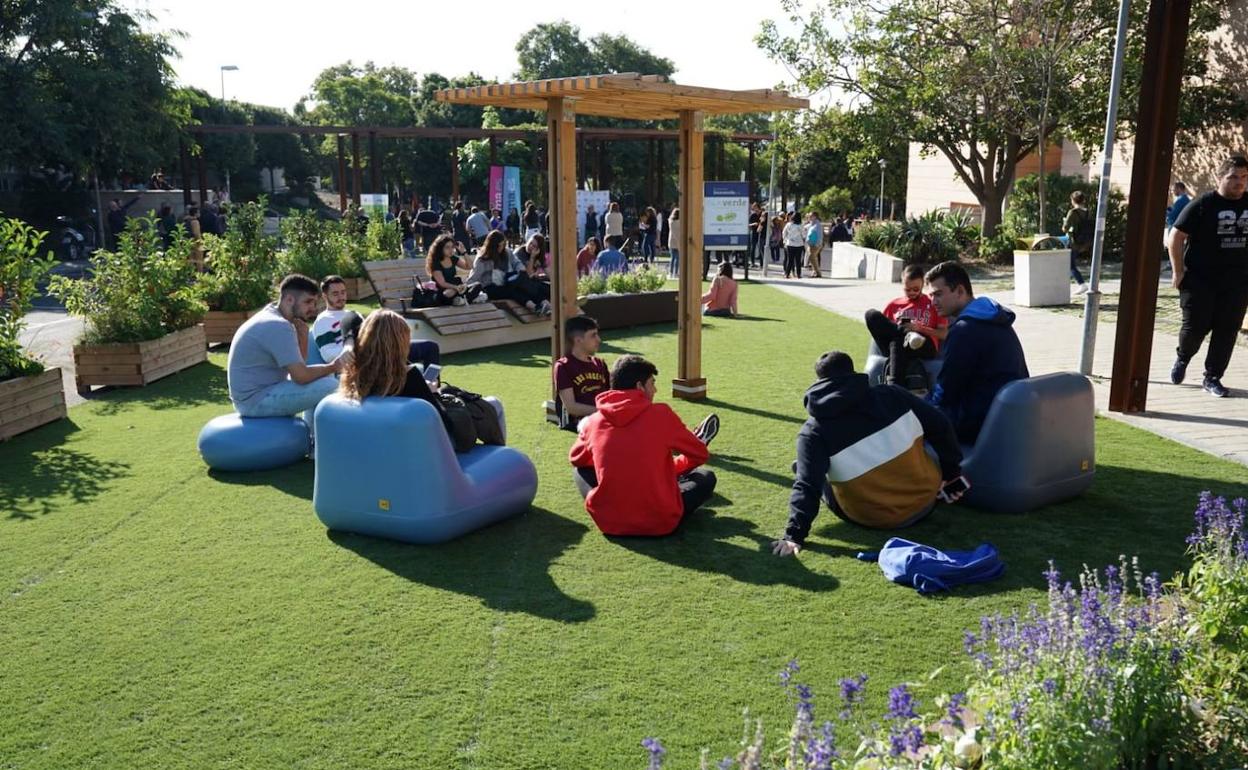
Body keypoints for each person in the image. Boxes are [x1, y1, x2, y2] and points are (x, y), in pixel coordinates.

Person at [771, 351, 965, 557]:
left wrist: (794, 535)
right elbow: (941, 425)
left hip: (873, 517)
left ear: (819, 380)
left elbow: (806, 486)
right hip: (926, 501)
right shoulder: (893, 394)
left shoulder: (813, 432)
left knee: (811, 474)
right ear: (853, 371)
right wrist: (952, 474)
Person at [569, 355, 720, 536]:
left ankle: (660, 477)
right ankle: (666, 478)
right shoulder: (661, 414)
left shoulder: (593, 421)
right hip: (659, 522)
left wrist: (614, 461)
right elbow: (700, 454)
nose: (655, 390)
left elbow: (576, 459)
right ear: (639, 387)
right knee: (706, 477)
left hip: (609, 522)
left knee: (580, 471)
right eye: (652, 383)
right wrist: (671, 467)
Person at [1168, 155, 1248, 398]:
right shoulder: (1204, 204)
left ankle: (1212, 377)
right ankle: (1183, 357)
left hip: (1237, 282)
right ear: (1220, 177)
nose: (1239, 183)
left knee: (1227, 331)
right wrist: (1178, 271)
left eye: (1244, 177)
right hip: (1200, 279)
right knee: (1195, 329)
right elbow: (1176, 236)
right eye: (1233, 177)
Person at [924, 261, 1029, 443]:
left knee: (911, 416)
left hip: (980, 422)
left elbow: (946, 391)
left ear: (960, 291)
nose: (933, 302)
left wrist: (922, 406)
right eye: (932, 296)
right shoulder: (993, 318)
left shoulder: (965, 330)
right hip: (1008, 416)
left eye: (938, 294)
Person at [227, 274, 348, 430]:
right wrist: (333, 366)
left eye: (314, 302)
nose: (312, 308)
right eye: (307, 302)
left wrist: (303, 335)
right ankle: (318, 440)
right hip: (255, 401)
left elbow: (299, 364)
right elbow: (301, 377)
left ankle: (312, 437)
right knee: (331, 385)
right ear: (289, 299)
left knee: (320, 382)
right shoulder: (277, 325)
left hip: (257, 395)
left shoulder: (274, 315)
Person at [313, 275, 441, 369]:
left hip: (381, 349)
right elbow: (327, 355)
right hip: (365, 358)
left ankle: (435, 390)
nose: (341, 297)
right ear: (325, 296)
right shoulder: (323, 320)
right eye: (335, 294)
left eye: (343, 292)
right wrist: (354, 351)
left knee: (430, 347)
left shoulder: (353, 314)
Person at [865, 264, 949, 391]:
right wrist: (903, 329)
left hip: (922, 344)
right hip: (895, 346)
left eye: (916, 289)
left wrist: (918, 328)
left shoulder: (932, 304)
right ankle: (905, 332)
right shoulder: (893, 305)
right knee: (871, 315)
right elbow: (883, 330)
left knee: (898, 341)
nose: (912, 293)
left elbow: (944, 334)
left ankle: (895, 387)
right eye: (907, 290)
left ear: (922, 284)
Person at [469, 230, 551, 314]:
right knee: (515, 290)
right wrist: (468, 289)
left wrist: (521, 269)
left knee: (523, 285)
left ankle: (539, 306)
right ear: (494, 246)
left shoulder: (506, 252)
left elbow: (516, 263)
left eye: (504, 244)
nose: (503, 247)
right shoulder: (482, 260)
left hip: (507, 281)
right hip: (491, 287)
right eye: (501, 245)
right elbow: (473, 277)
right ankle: (538, 305)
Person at [554, 315, 610, 431]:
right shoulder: (563, 366)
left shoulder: (600, 363)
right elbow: (572, 408)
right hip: (579, 422)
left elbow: (609, 395)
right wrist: (604, 411)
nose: (599, 339)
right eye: (593, 335)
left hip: (601, 417)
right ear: (578, 340)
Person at [428, 234, 485, 306]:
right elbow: (442, 283)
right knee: (449, 293)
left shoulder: (452, 258)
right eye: (447, 247)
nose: (451, 250)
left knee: (477, 285)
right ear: (440, 248)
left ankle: (462, 300)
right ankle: (466, 299)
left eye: (452, 247)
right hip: (443, 291)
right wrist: (456, 288)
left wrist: (464, 252)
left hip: (456, 287)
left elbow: (469, 267)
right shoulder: (435, 263)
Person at [1062, 191, 1092, 294]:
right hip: (1085, 241)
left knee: (1070, 264)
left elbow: (1065, 228)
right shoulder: (1088, 212)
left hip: (1074, 241)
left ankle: (1081, 284)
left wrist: (1065, 224)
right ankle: (1078, 283)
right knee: (1070, 263)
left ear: (1073, 200)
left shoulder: (1073, 212)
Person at [1165, 181, 1191, 254]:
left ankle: (1171, 263)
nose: (1173, 192)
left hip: (1175, 226)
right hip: (1182, 227)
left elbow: (1172, 216)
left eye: (1174, 189)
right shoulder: (1185, 199)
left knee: (1174, 246)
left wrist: (1166, 214)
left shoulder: (1181, 200)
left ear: (1179, 189)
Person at [782, 211, 806, 279]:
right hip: (799, 244)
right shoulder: (801, 225)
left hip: (790, 244)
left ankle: (787, 274)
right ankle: (798, 274)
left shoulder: (789, 224)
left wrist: (785, 240)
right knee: (798, 260)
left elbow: (784, 232)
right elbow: (804, 235)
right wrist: (803, 240)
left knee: (790, 260)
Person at [805, 211, 824, 278]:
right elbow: (805, 227)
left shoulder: (818, 225)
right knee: (812, 258)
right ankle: (815, 272)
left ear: (815, 217)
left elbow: (819, 235)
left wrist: (818, 243)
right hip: (811, 244)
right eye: (809, 216)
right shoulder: (811, 224)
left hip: (815, 244)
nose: (809, 217)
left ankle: (817, 272)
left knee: (812, 257)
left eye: (811, 216)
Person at [667, 207, 681, 278]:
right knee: (677, 258)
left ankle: (671, 272)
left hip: (671, 241)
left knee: (672, 258)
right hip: (678, 241)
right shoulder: (680, 222)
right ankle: (676, 272)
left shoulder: (671, 221)